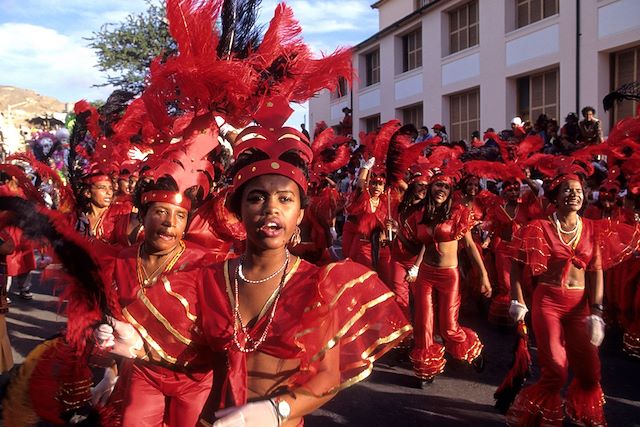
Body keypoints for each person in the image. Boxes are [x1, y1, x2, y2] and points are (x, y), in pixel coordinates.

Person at [195, 103, 411, 426]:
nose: (271, 209)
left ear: (300, 215)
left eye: (285, 199)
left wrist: (275, 411)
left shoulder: (317, 287)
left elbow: (327, 378)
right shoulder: (209, 278)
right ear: (238, 210)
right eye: (256, 198)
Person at [94, 176, 216, 427]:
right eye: (161, 212)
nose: (170, 224)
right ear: (143, 215)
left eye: (180, 216)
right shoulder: (122, 260)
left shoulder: (204, 263)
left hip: (194, 379)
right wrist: (109, 358)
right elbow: (110, 315)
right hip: (144, 372)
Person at [507, 173, 607, 426]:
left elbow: (596, 271)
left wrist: (596, 311)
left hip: (580, 307)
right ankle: (540, 419)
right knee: (556, 370)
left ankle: (583, 412)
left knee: (590, 372)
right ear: (554, 196)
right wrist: (517, 300)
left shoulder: (592, 229)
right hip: (548, 303)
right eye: (567, 190)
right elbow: (517, 264)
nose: (574, 194)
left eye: (578, 191)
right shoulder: (539, 227)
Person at [407, 171, 491, 385]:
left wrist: (483, 275)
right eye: (437, 186)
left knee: (448, 327)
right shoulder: (420, 214)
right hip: (426, 274)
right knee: (423, 323)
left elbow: (470, 246)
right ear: (430, 189)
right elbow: (421, 244)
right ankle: (427, 369)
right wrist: (414, 267)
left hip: (449, 276)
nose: (441, 190)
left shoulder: (459, 213)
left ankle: (473, 350)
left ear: (451, 191)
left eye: (445, 187)